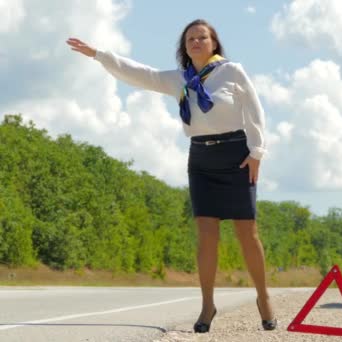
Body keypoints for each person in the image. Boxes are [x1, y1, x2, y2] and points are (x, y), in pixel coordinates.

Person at [67, 19, 276, 333]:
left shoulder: (232, 71)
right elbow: (141, 74)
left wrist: (257, 152)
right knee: (207, 237)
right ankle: (207, 305)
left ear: (213, 43)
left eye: (202, 37)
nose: (195, 42)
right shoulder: (181, 79)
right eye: (190, 38)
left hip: (237, 157)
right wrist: (100, 55)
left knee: (248, 234)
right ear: (184, 46)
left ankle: (264, 298)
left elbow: (254, 109)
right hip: (201, 160)